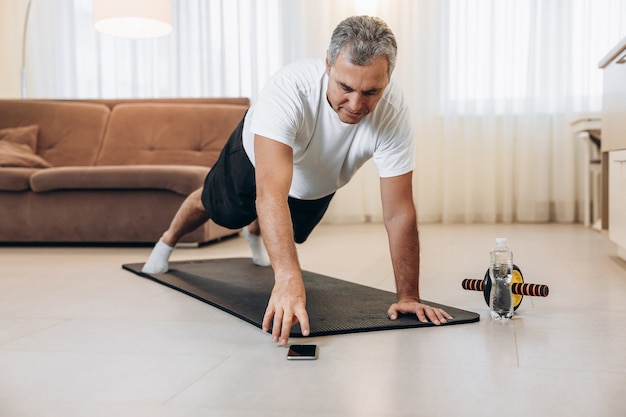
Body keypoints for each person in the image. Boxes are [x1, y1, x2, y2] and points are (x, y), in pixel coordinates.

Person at [142, 15, 452, 345]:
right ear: (328, 65)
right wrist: (288, 277)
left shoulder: (394, 112)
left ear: (387, 79)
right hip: (255, 159)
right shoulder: (289, 89)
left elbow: (399, 211)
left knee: (294, 233)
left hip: (316, 180)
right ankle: (166, 241)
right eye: (345, 87)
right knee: (218, 208)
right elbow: (271, 196)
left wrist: (408, 295)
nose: (356, 105)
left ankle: (255, 231)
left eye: (371, 91)